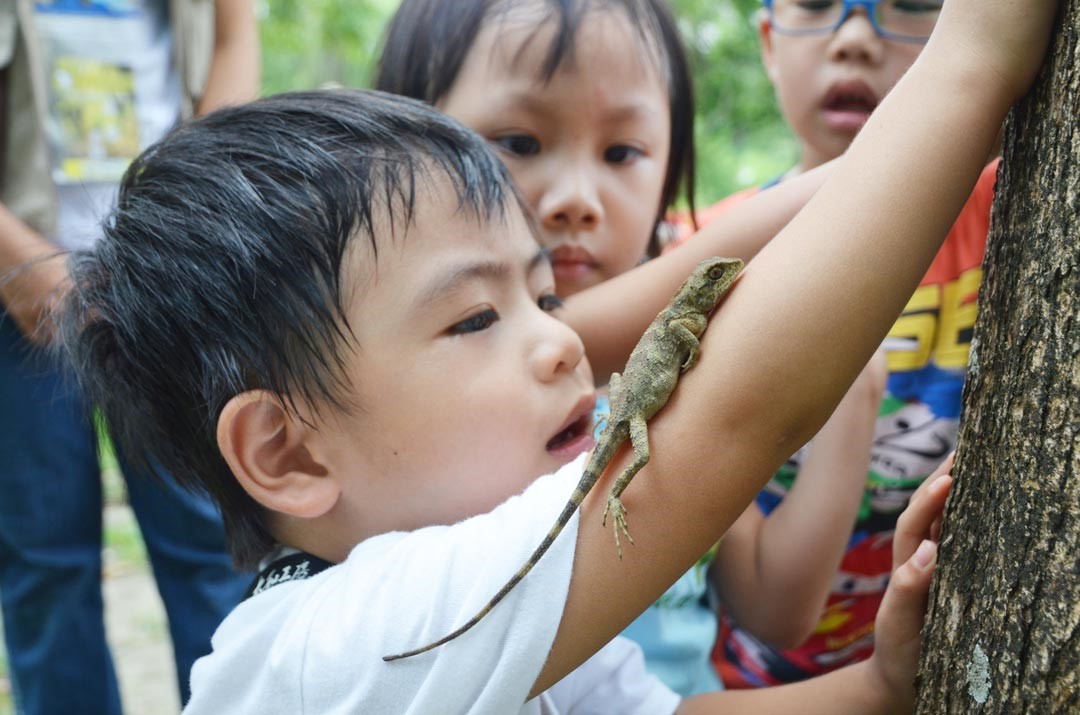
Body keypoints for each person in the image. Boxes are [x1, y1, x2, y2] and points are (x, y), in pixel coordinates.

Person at [54, 0, 1055, 706]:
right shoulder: (354, 641)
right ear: (290, 452)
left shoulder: (493, 615)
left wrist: (877, 688)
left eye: (541, 294)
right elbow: (737, 416)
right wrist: (971, 58)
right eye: (475, 320)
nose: (562, 343)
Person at [374, 0, 886, 695]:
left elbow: (775, 604)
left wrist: (853, 387)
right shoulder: (432, 384)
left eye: (621, 152)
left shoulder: (675, 380)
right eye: (519, 142)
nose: (577, 200)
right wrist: (914, 140)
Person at [670, 0, 1003, 687]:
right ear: (767, 43)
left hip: (940, 669)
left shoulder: (1005, 212)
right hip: (741, 678)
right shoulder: (703, 254)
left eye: (910, 4)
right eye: (817, 4)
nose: (855, 38)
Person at [0, 0, 258, 711]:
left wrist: (197, 219)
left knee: (213, 540)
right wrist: (18, 263)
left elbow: (234, 33)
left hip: (168, 274)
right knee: (46, 562)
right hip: (15, 286)